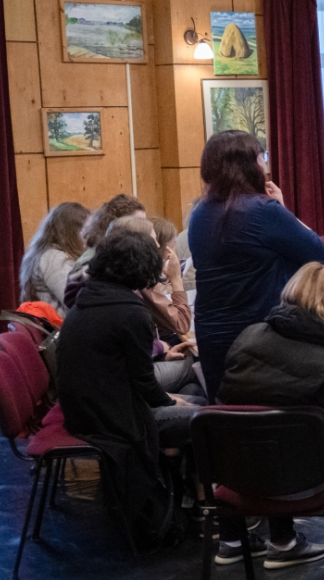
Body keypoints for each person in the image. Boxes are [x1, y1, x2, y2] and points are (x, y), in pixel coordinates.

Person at [56, 228, 200, 543]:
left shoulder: (90, 297)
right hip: (114, 421)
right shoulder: (129, 312)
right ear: (140, 268)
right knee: (208, 417)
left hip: (86, 410)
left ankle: (184, 499)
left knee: (192, 394)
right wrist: (174, 402)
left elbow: (132, 378)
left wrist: (174, 399)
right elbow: (146, 387)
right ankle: (208, 508)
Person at [214, 262, 324, 569]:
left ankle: (249, 540)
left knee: (269, 430)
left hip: (237, 476)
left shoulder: (247, 336)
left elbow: (227, 401)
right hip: (303, 484)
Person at [188, 130, 324, 400]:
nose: (264, 163)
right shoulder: (264, 210)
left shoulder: (199, 215)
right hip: (260, 331)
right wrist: (282, 208)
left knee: (228, 415)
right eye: (261, 156)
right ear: (249, 164)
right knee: (268, 417)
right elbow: (317, 252)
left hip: (211, 332)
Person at [107, 216, 201, 399]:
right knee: (197, 364)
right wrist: (175, 279)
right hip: (127, 386)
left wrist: (160, 351)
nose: (159, 246)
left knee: (193, 390)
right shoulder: (135, 287)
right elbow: (181, 323)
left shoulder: (122, 283)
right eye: (154, 242)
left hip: (137, 370)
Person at [64, 193, 146, 307]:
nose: (144, 231)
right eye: (138, 224)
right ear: (118, 226)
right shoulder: (90, 263)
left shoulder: (120, 257)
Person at [19, 201, 89, 317]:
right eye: (85, 229)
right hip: (61, 331)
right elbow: (77, 301)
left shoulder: (48, 253)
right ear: (72, 232)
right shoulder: (53, 258)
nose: (88, 235)